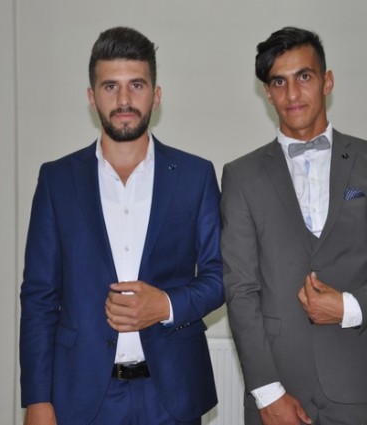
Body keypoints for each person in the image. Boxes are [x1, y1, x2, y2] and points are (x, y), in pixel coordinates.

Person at [221, 27, 367, 425]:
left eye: (304, 76)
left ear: (327, 81)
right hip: (277, 391)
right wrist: (268, 392)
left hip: (360, 387)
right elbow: (240, 290)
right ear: (267, 93)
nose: (292, 93)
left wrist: (349, 306)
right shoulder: (241, 176)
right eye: (279, 82)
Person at [19, 26, 224, 425]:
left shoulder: (195, 176)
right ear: (92, 96)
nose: (124, 100)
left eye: (137, 85)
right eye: (111, 86)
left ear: (156, 95)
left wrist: (164, 305)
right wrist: (37, 399)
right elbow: (39, 297)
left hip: (172, 396)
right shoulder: (57, 181)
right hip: (82, 397)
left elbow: (220, 277)